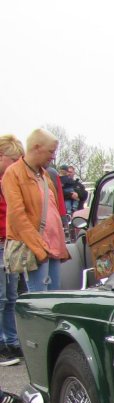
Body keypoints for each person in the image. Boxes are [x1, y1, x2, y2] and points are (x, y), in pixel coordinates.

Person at [1, 128, 68, 292]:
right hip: (36, 249)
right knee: (39, 298)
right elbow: (18, 216)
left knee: (54, 296)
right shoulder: (14, 174)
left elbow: (53, 209)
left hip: (52, 248)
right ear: (37, 147)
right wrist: (39, 248)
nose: (53, 156)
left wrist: (60, 245)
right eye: (50, 151)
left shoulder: (44, 175)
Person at [0, 134, 25, 365]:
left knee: (11, 296)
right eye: (13, 159)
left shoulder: (10, 181)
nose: (16, 164)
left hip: (8, 243)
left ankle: (11, 340)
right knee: (1, 297)